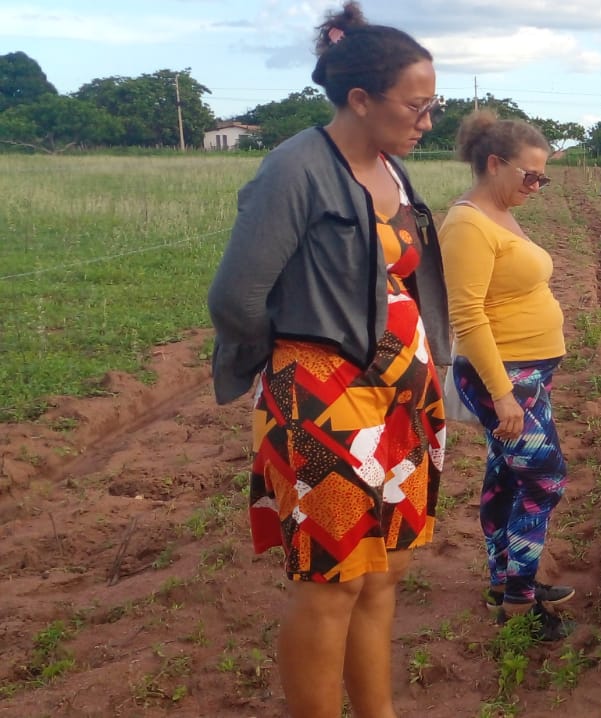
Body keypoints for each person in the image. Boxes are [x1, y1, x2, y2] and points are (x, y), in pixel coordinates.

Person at [205, 3, 446, 715]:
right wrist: (294, 363)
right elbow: (236, 296)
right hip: (321, 405)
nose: (425, 122)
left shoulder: (394, 173)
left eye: (433, 107)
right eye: (417, 106)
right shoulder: (296, 168)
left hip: (401, 405)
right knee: (331, 585)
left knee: (382, 577)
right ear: (361, 99)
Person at [439, 110, 575, 639]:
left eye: (544, 177)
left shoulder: (498, 212)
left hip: (528, 374)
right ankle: (519, 600)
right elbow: (467, 315)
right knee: (545, 477)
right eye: (531, 175)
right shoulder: (469, 223)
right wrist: (502, 395)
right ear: (495, 164)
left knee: (506, 474)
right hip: (504, 377)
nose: (537, 186)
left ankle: (505, 577)